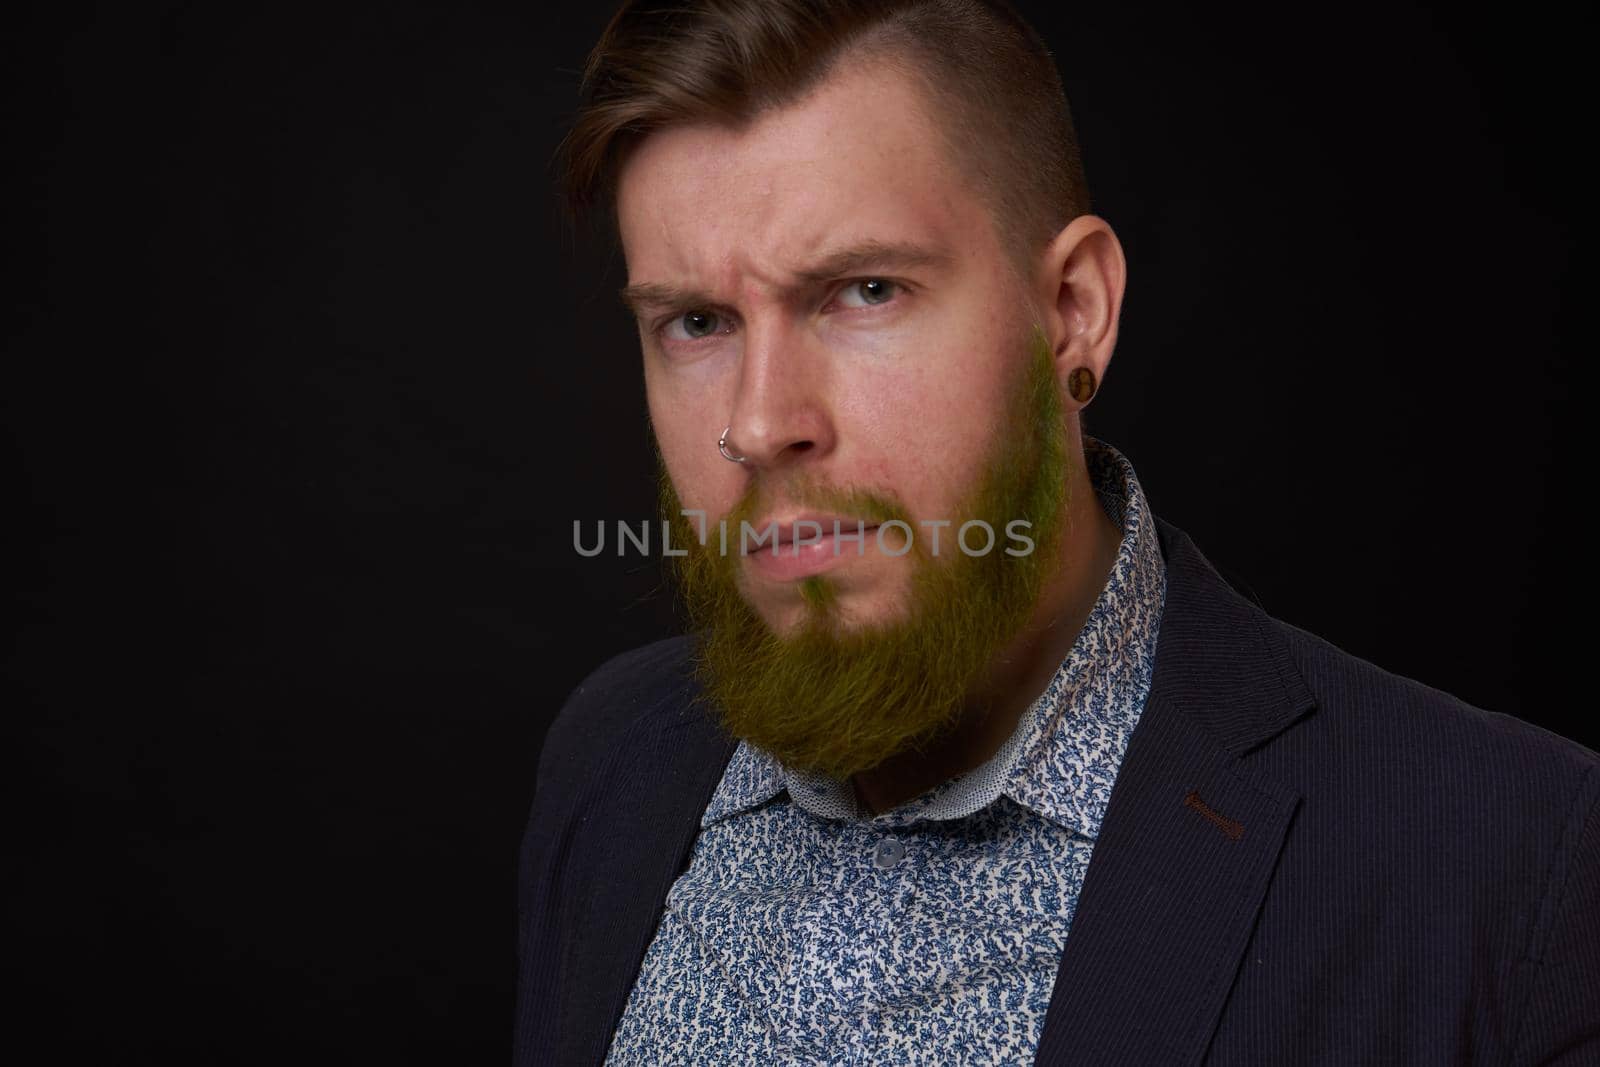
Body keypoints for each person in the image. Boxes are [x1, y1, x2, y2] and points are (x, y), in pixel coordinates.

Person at [515, 1, 1599, 1063]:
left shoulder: (1518, 861)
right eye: (695, 323)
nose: (758, 423)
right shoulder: (613, 750)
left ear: (1074, 309)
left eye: (865, 291)